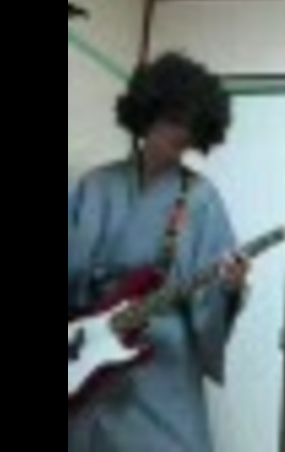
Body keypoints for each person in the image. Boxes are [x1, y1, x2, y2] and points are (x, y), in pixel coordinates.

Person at [68, 52, 248, 451]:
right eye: (171, 118)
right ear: (146, 114)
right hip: (88, 354)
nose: (179, 131)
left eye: (189, 124)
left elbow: (213, 298)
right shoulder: (94, 185)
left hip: (160, 357)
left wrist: (230, 287)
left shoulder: (201, 199)